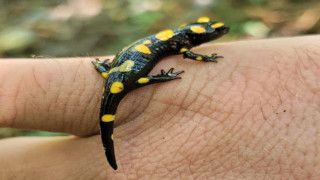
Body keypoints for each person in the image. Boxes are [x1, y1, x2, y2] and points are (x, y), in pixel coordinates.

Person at [0, 35, 319, 179]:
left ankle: (117, 76)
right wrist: (169, 74)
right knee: (139, 82)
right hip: (125, 79)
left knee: (121, 82)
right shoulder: (183, 43)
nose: (219, 33)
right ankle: (158, 79)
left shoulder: (176, 38)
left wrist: (103, 68)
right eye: (214, 32)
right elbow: (189, 55)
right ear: (198, 36)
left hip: (116, 75)